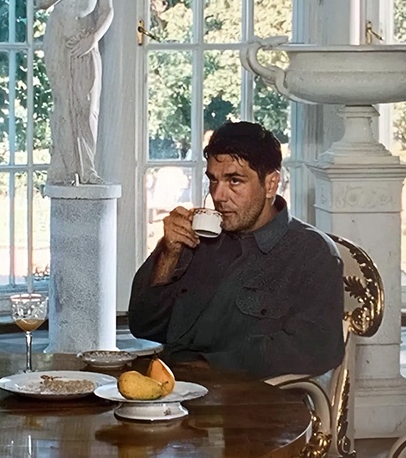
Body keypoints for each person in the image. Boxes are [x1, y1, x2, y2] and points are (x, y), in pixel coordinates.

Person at [129, 121, 345, 379]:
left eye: (234, 181)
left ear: (271, 184)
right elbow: (143, 326)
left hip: (245, 395)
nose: (218, 195)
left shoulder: (311, 253)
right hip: (172, 384)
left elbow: (318, 348)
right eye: (213, 180)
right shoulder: (200, 236)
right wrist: (168, 253)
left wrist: (212, 366)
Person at [36, 0, 114, 185]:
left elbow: (107, 10)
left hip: (86, 37)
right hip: (60, 35)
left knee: (88, 105)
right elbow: (41, 1)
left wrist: (93, 38)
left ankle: (88, 169)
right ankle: (68, 169)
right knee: (65, 103)